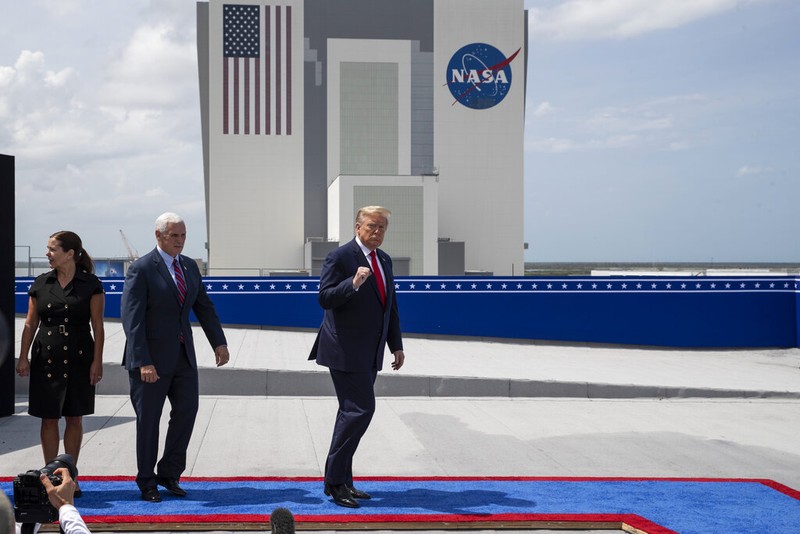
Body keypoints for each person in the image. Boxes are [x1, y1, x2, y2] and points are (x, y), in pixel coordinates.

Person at [121, 212, 229, 503]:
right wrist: (143, 361)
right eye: (174, 236)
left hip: (183, 357)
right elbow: (132, 320)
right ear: (158, 235)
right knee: (149, 421)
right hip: (150, 362)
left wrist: (218, 342)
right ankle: (147, 481)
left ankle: (169, 472)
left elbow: (203, 306)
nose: (180, 241)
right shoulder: (142, 269)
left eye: (183, 236)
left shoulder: (189, 267)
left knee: (187, 412)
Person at [308, 206, 405, 508]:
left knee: (351, 413)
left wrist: (396, 345)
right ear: (357, 226)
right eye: (372, 227)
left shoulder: (384, 260)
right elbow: (324, 297)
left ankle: (344, 481)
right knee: (360, 411)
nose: (377, 232)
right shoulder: (341, 257)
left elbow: (390, 306)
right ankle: (334, 482)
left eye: (382, 228)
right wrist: (352, 284)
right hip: (344, 350)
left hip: (370, 351)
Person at [16, 231, 105, 498]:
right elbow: (31, 323)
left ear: (70, 253)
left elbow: (98, 327)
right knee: (48, 418)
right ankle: (50, 475)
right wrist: (23, 356)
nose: (47, 253)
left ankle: (70, 475)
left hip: (80, 357)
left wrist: (97, 362)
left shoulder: (91, 284)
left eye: (52, 249)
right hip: (47, 359)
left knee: (74, 417)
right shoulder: (41, 283)